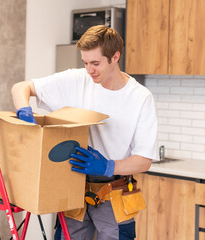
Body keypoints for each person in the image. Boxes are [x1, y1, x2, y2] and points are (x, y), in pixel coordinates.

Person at [11, 25, 157, 240]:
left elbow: (144, 161)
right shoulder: (77, 80)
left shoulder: (140, 97)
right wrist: (23, 108)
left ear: (115, 57)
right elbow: (20, 87)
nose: (90, 70)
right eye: (86, 63)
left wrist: (108, 166)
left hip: (114, 193)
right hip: (74, 189)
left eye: (96, 63)